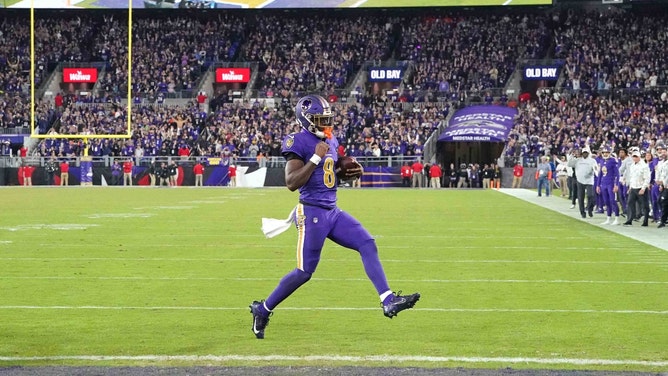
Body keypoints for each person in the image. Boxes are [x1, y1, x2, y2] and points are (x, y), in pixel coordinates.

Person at [250, 94, 420, 340]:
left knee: (367, 243)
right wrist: (316, 157)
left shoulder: (329, 139)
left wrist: (346, 171)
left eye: (327, 119)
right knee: (304, 272)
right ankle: (262, 309)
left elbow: (331, 172)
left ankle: (388, 300)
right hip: (311, 213)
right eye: (320, 119)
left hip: (332, 210)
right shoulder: (296, 140)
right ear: (306, 120)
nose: (326, 124)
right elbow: (291, 182)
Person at [568, 147, 598, 218]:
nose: (584, 154)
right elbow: (569, 164)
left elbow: (596, 169)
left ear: (588, 153)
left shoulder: (592, 161)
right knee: (580, 197)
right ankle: (582, 212)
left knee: (591, 195)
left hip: (589, 180)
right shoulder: (578, 160)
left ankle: (590, 209)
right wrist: (571, 156)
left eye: (586, 153)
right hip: (580, 180)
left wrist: (596, 174)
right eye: (583, 153)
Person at [623, 149, 650, 226]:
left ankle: (645, 221)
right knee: (630, 203)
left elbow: (647, 178)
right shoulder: (632, 165)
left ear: (639, 157)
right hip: (633, 187)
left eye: (636, 156)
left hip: (641, 187)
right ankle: (630, 219)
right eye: (633, 156)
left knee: (644, 205)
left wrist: (643, 188)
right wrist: (630, 187)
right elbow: (632, 177)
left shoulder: (644, 166)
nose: (634, 158)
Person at [595, 146, 620, 225]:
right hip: (604, 183)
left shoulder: (613, 161)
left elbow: (617, 174)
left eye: (607, 152)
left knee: (613, 200)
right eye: (604, 153)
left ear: (609, 153)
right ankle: (608, 218)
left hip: (611, 183)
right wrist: (598, 185)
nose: (605, 154)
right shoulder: (602, 161)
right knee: (606, 201)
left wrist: (616, 185)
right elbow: (600, 174)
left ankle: (616, 218)